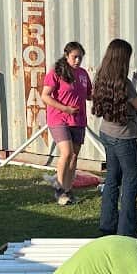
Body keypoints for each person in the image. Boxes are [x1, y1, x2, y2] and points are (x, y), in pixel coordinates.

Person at [92, 39, 137, 237]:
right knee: (131, 182)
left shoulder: (101, 77)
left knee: (112, 178)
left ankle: (107, 225)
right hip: (124, 138)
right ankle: (126, 230)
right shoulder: (125, 84)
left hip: (107, 133)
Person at [40, 42, 91, 206]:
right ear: (66, 55)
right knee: (67, 153)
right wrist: (65, 108)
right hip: (59, 118)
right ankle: (60, 189)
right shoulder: (56, 72)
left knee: (74, 156)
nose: (78, 60)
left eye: (80, 57)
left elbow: (89, 94)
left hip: (78, 119)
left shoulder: (83, 74)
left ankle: (68, 190)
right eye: (74, 57)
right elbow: (45, 96)